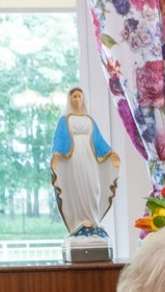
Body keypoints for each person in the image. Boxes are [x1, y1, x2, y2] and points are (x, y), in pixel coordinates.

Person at [50, 87, 121, 235]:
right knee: (77, 187)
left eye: (79, 97)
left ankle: (93, 219)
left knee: (92, 185)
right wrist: (56, 156)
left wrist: (111, 153)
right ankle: (79, 222)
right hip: (74, 159)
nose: (77, 100)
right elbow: (59, 139)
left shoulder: (89, 120)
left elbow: (99, 141)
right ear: (70, 99)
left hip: (89, 157)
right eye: (74, 97)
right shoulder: (65, 120)